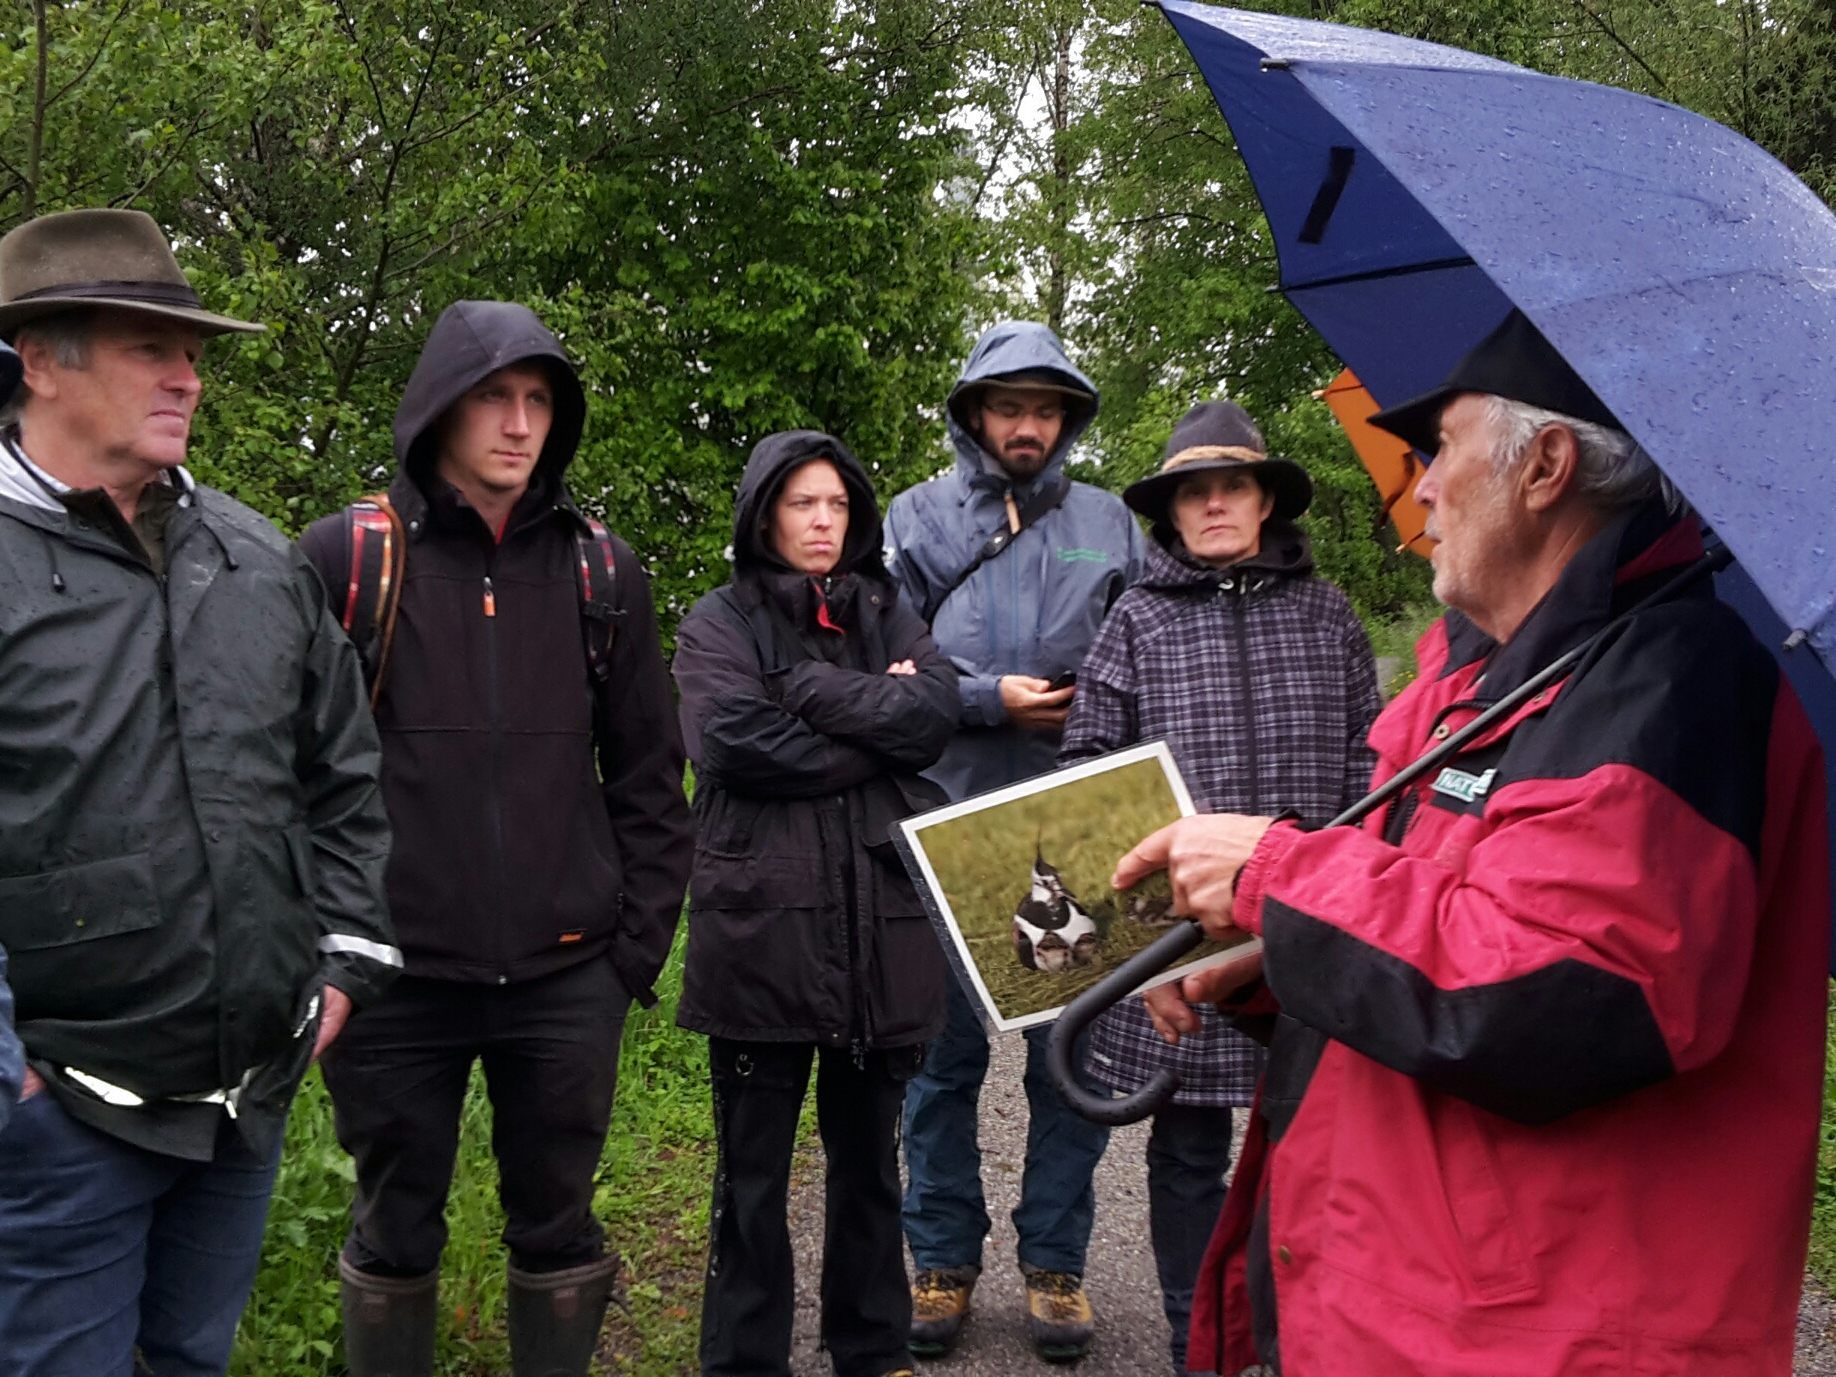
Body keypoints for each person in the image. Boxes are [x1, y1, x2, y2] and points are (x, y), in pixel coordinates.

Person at [1123, 310, 1830, 1376]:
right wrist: (1279, 964)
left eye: (1440, 450)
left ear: (1544, 466)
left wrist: (1278, 875)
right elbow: (1446, 919)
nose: (1419, 489)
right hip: (1412, 1299)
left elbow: (1564, 987)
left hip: (1545, 1328)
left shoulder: (1672, 684)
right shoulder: (1500, 680)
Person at [0, 208, 397, 1377]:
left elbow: (344, 779)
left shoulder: (255, 560)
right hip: (59, 1111)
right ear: (37, 358)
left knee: (189, 1360)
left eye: (195, 355)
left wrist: (346, 962)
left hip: (248, 1093)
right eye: (150, 349)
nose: (189, 379)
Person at [298, 300, 693, 1377]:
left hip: (569, 981)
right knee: (393, 1228)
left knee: (557, 1225)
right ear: (439, 410)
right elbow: (280, 776)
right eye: (493, 399)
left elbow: (652, 777)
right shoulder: (348, 559)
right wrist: (327, 947)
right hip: (393, 981)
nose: (519, 424)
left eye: (537, 402)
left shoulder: (600, 574)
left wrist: (629, 957)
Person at [1059, 400, 1378, 1375]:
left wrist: (1358, 909)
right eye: (1193, 492)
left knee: (1320, 1147)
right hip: (1182, 940)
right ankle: (1196, 1342)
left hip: (1310, 922)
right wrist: (1139, 949)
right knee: (1190, 1151)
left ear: (1265, 498)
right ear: (1172, 513)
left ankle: (1301, 1342)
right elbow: (1093, 782)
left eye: (1230, 485)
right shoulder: (1136, 619)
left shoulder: (1328, 616)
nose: (1212, 505)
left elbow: (1374, 772)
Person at [672, 429, 958, 1377]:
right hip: (764, 932)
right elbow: (729, 739)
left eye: (836, 503)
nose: (822, 520)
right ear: (765, 513)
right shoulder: (722, 618)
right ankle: (746, 1361)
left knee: (871, 1166)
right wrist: (875, 720)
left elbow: (936, 712)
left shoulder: (887, 606)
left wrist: (805, 690)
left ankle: (871, 1351)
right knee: (752, 1178)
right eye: (802, 503)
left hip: (882, 934)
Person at [886, 320, 1145, 1360]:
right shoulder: (908, 519)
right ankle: (941, 1261)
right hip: (941, 826)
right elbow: (884, 673)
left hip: (1071, 828)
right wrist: (991, 701)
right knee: (937, 1065)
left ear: (1068, 417)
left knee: (1063, 1061)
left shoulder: (1114, 522)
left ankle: (1057, 1266)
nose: (1028, 425)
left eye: (1046, 408)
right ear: (975, 414)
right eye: (1010, 407)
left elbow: (1147, 650)